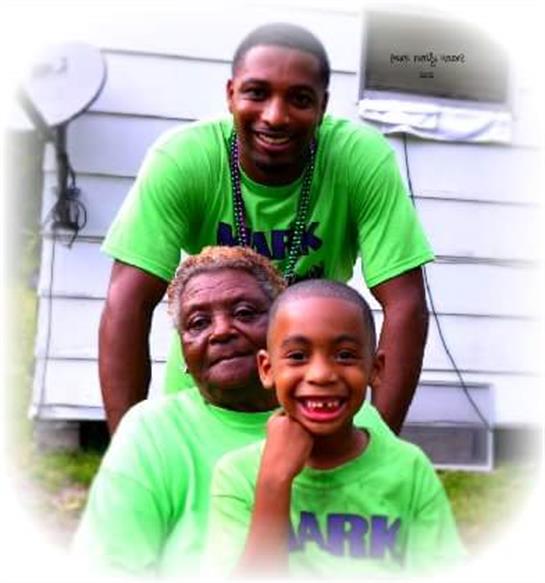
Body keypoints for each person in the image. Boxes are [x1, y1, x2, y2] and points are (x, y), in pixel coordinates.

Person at [99, 22, 433, 434]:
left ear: (323, 106)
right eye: (257, 93)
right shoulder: (183, 159)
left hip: (313, 396)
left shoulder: (358, 159)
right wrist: (128, 448)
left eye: (300, 99)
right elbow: (127, 303)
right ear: (231, 94)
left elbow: (405, 304)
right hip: (203, 397)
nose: (275, 116)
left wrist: (380, 441)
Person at [205, 279, 464, 578]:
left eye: (344, 355)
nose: (321, 374)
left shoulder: (409, 469)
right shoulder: (238, 475)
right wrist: (274, 481)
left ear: (375, 369)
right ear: (267, 369)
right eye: (298, 356)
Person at [72, 246, 288, 576]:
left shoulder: (350, 423)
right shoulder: (151, 434)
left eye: (244, 313)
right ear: (184, 354)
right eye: (198, 322)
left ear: (284, 326)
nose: (221, 331)